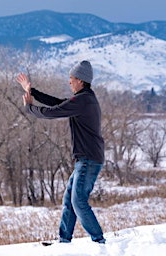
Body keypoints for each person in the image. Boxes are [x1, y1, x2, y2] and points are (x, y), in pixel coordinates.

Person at [16, 60, 106, 244]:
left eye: (71, 78)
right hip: (86, 158)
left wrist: (30, 108)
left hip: (88, 159)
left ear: (80, 80)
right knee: (69, 200)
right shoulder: (84, 98)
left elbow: (53, 112)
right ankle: (64, 240)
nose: (69, 82)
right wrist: (31, 90)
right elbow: (58, 103)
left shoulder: (83, 100)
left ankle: (99, 242)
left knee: (78, 201)